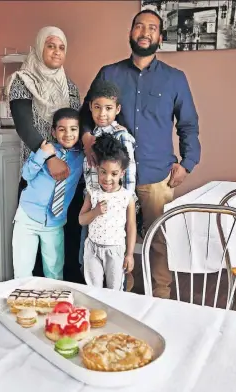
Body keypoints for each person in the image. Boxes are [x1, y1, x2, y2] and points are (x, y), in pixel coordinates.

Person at [79, 9, 201, 299]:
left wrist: (187, 164)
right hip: (110, 179)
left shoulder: (175, 79)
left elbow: (188, 124)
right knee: (111, 238)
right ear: (130, 33)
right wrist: (86, 137)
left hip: (156, 176)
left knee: (157, 242)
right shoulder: (109, 74)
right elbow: (87, 111)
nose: (145, 32)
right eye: (139, 26)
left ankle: (161, 298)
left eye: (152, 28)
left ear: (160, 36)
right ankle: (122, 295)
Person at [7, 26, 85, 283]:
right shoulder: (22, 80)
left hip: (67, 175)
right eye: (51, 45)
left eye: (61, 47)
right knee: (30, 246)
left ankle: (61, 291)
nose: (56, 51)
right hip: (37, 170)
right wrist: (49, 158)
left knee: (61, 241)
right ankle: (30, 293)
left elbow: (75, 125)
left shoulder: (70, 87)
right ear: (40, 47)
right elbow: (23, 124)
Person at [12, 108, 84, 280]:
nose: (68, 134)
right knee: (22, 272)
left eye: (73, 129)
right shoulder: (45, 151)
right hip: (27, 218)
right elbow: (26, 175)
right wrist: (43, 154)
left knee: (54, 272)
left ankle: (53, 306)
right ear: (53, 131)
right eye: (62, 129)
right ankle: (22, 305)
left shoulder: (82, 157)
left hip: (55, 223)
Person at [78, 80, 138, 276]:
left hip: (114, 207)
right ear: (90, 107)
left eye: (108, 108)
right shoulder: (89, 137)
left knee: (115, 262)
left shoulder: (122, 136)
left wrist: (127, 200)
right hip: (93, 203)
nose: (102, 113)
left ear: (117, 109)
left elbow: (129, 172)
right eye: (97, 107)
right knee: (88, 257)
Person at [79, 135, 136, 290]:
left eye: (114, 173)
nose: (107, 178)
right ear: (98, 169)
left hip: (115, 250)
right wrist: (95, 212)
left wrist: (129, 254)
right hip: (93, 249)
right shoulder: (93, 193)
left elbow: (131, 227)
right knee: (93, 289)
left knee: (114, 290)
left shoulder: (126, 197)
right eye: (103, 172)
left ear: (122, 173)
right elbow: (82, 220)